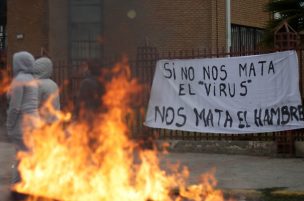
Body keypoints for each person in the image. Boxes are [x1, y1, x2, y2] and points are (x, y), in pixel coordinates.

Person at [6, 51, 39, 190]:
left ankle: (20, 186)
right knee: (27, 154)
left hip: (22, 124)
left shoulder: (19, 80)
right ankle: (24, 183)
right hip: (34, 122)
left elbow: (15, 108)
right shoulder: (32, 80)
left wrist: (9, 124)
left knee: (22, 155)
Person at [32, 57, 60, 124]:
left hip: (43, 121)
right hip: (55, 120)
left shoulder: (37, 84)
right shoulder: (53, 84)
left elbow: (34, 104)